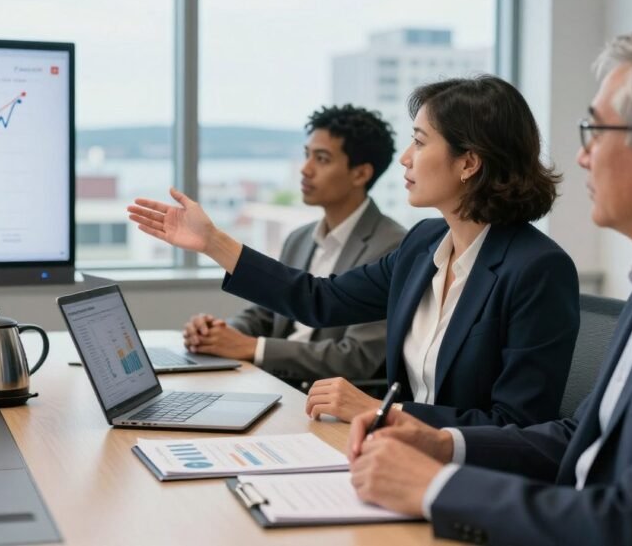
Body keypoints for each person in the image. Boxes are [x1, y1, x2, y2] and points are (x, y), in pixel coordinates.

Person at [345, 25, 632, 546]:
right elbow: (581, 439)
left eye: (596, 131)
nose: (583, 156)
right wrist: (445, 444)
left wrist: (435, 488)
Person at [128, 75, 580, 425]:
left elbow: (517, 425)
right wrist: (213, 242)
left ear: (469, 162)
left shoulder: (537, 269)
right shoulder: (423, 243)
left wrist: (384, 412)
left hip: (465, 477)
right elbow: (319, 299)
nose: (405, 158)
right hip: (393, 453)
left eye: (420, 142)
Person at [182, 105, 406, 388]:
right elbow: (265, 312)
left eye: (322, 159)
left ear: (360, 173)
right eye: (306, 155)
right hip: (274, 383)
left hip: (321, 397)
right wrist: (219, 334)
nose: (305, 169)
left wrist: (253, 348)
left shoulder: (392, 245)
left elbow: (357, 357)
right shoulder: (299, 238)